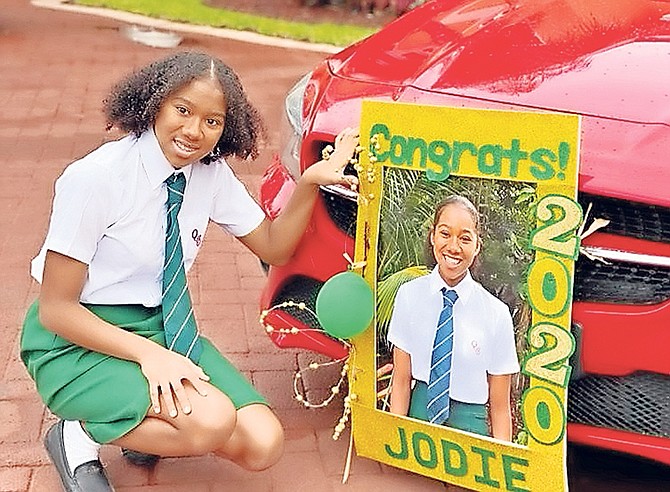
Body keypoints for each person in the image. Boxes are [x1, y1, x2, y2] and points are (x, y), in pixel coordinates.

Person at [20, 51, 359, 491]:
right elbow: (56, 310)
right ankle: (78, 434)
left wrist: (311, 181)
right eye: (183, 110)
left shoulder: (209, 175)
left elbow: (274, 247)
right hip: (77, 339)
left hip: (161, 328)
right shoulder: (96, 179)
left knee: (263, 444)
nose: (194, 131)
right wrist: (151, 357)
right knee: (210, 423)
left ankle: (147, 417)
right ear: (154, 103)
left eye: (212, 121)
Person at [387, 195, 520, 441]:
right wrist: (396, 441)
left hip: (470, 432)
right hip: (418, 423)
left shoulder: (496, 314)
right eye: (445, 234)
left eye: (465, 238)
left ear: (477, 246)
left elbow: (500, 409)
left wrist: (501, 468)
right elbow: (401, 381)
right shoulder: (408, 296)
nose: (454, 247)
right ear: (433, 236)